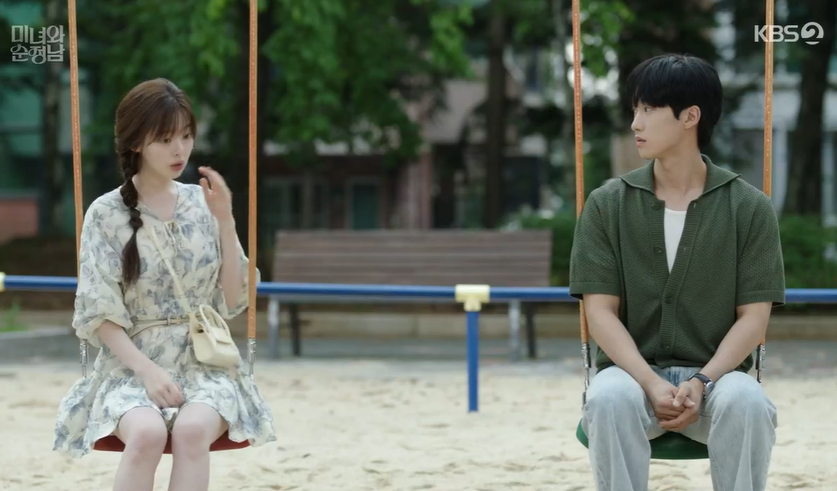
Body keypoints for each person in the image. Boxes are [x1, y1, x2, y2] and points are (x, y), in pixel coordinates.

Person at [569, 54, 785, 491]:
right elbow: (600, 312)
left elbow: (754, 319)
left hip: (717, 382)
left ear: (690, 117)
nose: (636, 123)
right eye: (635, 109)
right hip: (632, 379)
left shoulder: (749, 208)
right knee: (607, 396)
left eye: (649, 109)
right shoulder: (607, 204)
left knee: (747, 399)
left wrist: (702, 381)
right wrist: (649, 382)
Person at [53, 78, 276, 491]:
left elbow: (232, 299)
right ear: (137, 142)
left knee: (191, 431)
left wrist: (226, 220)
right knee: (147, 433)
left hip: (204, 363)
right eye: (165, 139)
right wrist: (149, 372)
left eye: (186, 136)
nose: (180, 150)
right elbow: (100, 311)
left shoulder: (203, 203)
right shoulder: (106, 213)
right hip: (131, 365)